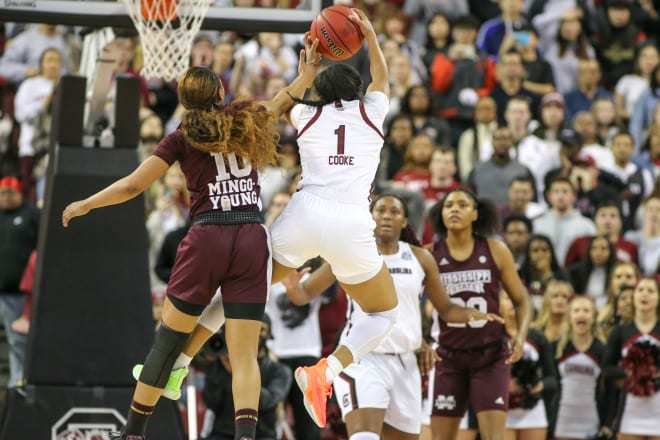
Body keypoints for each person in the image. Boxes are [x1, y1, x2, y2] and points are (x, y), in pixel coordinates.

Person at [61, 37, 322, 440]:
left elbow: (133, 186)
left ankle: (133, 432)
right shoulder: (244, 118)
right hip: (251, 235)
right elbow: (281, 101)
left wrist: (87, 203)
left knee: (166, 345)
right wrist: (305, 76)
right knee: (245, 356)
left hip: (207, 236)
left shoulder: (180, 137)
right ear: (221, 92)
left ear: (184, 101)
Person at [267, 9, 401, 429]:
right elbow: (383, 79)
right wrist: (372, 36)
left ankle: (182, 349)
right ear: (357, 92)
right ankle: (326, 370)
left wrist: (304, 72)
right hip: (351, 223)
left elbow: (278, 107)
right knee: (382, 315)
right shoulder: (371, 113)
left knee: (245, 286)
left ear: (318, 93)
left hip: (306, 214)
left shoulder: (306, 115)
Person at [282, 194, 503, 440]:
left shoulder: (420, 258)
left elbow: (446, 309)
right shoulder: (352, 253)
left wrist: (470, 315)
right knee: (364, 436)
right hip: (364, 360)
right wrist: (292, 287)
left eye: (394, 211)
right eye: (380, 211)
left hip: (406, 363)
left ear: (405, 220)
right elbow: (304, 294)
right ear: (370, 217)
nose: (387, 215)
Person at [426, 189, 533, 440]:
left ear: (476, 214)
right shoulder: (429, 254)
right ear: (440, 214)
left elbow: (522, 301)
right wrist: (419, 340)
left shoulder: (496, 249)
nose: (454, 209)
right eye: (448, 205)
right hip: (448, 356)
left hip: (491, 355)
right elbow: (407, 303)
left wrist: (520, 336)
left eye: (462, 205)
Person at [602, 277, 660, 440]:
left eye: (650, 291)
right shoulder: (620, 332)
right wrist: (631, 372)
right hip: (629, 411)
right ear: (634, 297)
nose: (644, 295)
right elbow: (607, 369)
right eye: (640, 290)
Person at [0, 176, 39, 388]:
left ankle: (18, 383)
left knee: (18, 341)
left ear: (20, 193)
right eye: (2, 193)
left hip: (22, 293)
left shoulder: (32, 214)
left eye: (10, 193)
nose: (6, 198)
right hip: (3, 291)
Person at [552, 296, 605, 440]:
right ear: (569, 317)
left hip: (591, 420)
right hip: (562, 420)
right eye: (576, 310)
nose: (581, 314)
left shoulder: (602, 350)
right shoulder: (557, 348)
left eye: (586, 311)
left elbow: (606, 389)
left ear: (594, 317)